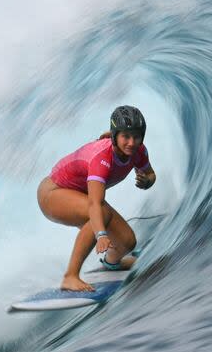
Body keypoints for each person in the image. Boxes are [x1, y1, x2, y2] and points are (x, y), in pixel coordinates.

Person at [37, 105, 156, 291]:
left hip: (81, 194)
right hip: (52, 193)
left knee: (127, 242)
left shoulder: (138, 151)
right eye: (126, 136)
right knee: (101, 213)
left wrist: (147, 181)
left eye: (136, 136)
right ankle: (70, 277)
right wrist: (101, 235)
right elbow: (94, 204)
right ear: (116, 136)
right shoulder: (101, 159)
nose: (132, 143)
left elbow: (150, 174)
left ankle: (111, 263)